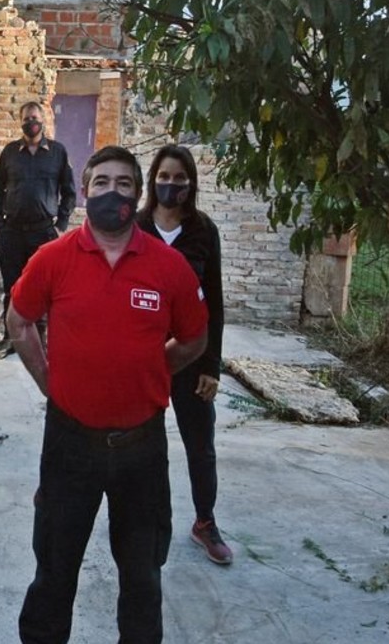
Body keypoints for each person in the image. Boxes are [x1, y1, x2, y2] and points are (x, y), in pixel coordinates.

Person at [9, 146, 208, 643]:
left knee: (142, 577)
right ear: (84, 190)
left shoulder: (169, 267)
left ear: (137, 193)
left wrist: (151, 370)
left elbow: (194, 339)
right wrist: (50, 382)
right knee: (54, 571)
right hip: (70, 444)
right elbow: (19, 321)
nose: (112, 192)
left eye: (123, 183)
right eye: (102, 183)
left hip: (142, 450)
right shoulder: (53, 259)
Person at [135, 144, 230, 565]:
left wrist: (212, 365)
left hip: (190, 358)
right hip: (145, 357)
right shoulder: (134, 227)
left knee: (199, 444)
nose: (170, 184)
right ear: (152, 179)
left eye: (179, 178)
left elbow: (215, 301)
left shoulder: (203, 231)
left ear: (191, 183)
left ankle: (205, 522)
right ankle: (140, 519)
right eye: (164, 176)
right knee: (139, 443)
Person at [0, 100, 77, 359]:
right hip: (13, 233)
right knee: (12, 288)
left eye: (35, 117)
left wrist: (61, 224)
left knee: (43, 288)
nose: (31, 122)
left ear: (44, 120)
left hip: (44, 233)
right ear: (21, 121)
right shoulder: (10, 153)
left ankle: (40, 342)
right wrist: (0, 222)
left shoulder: (58, 153)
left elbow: (70, 193)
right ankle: (11, 339)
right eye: (26, 118)